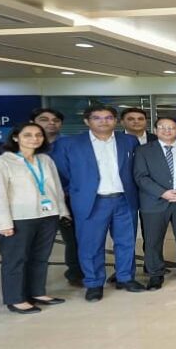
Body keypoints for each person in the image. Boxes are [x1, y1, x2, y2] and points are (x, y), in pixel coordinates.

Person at [52, 104, 145, 301]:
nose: (104, 121)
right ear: (87, 121)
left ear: (115, 121)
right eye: (97, 118)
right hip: (91, 201)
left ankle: (125, 278)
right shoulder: (70, 144)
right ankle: (94, 283)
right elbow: (61, 173)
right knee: (90, 245)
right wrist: (78, 192)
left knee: (126, 242)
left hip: (124, 200)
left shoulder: (129, 141)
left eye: (108, 118)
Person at [0, 123, 69, 314]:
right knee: (15, 259)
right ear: (16, 137)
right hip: (19, 218)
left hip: (47, 215)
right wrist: (3, 222)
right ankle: (16, 299)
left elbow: (56, 188)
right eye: (28, 135)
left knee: (41, 257)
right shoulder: (1, 163)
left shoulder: (45, 160)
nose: (34, 139)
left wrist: (62, 212)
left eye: (38, 135)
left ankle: (37, 292)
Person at [133, 117, 176, 288]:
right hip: (154, 202)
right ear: (155, 130)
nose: (167, 130)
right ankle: (155, 274)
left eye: (171, 127)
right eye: (162, 127)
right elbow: (141, 177)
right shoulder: (143, 150)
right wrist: (163, 193)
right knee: (153, 240)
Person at [32, 107, 82, 286]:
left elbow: (80, 171)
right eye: (44, 119)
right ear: (33, 122)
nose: (51, 123)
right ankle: (33, 284)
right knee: (36, 242)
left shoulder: (71, 144)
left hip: (67, 199)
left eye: (55, 120)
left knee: (73, 239)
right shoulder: (26, 146)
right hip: (34, 201)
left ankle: (76, 273)